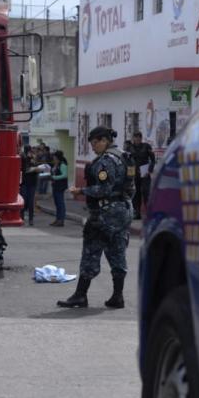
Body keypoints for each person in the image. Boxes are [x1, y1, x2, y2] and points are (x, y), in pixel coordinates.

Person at [57, 126, 135, 309]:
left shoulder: (105, 162)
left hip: (105, 212)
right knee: (117, 251)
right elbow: (131, 187)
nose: (93, 147)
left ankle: (80, 295)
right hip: (123, 210)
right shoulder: (124, 156)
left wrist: (81, 191)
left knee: (91, 250)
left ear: (104, 140)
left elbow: (103, 189)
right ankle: (118, 297)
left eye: (94, 143)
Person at [126, 131, 156, 220]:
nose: (137, 140)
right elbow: (127, 161)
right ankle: (137, 213)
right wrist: (129, 174)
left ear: (141, 138)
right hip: (134, 173)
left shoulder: (146, 147)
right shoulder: (129, 148)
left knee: (146, 192)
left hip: (144, 172)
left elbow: (153, 160)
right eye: (135, 138)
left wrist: (149, 170)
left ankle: (149, 213)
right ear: (133, 139)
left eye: (139, 138)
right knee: (136, 194)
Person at [20, 146, 40, 226]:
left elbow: (36, 168)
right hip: (24, 182)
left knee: (31, 201)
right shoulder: (23, 158)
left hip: (32, 183)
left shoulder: (33, 158)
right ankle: (22, 217)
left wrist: (36, 166)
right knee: (24, 201)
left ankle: (31, 219)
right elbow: (25, 169)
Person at [50, 150, 69, 226]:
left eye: (54, 157)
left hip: (60, 186)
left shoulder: (62, 165)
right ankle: (57, 219)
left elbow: (64, 175)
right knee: (57, 203)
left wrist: (54, 177)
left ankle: (61, 219)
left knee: (60, 203)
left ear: (57, 157)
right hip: (55, 186)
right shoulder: (56, 165)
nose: (53, 158)